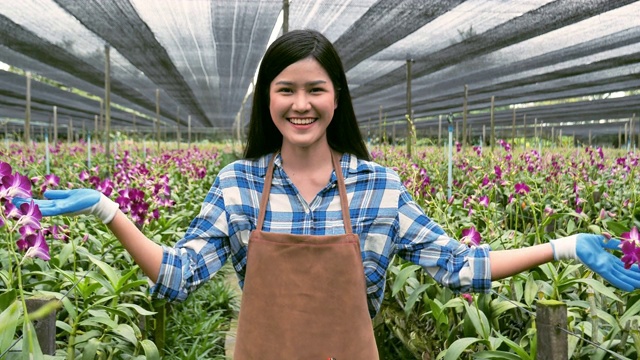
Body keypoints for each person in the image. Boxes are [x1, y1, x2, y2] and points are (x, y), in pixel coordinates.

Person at [15, 30, 640, 359]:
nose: (301, 104)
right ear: (269, 100)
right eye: (286, 89)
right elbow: (176, 277)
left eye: (315, 89)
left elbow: (459, 267)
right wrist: (108, 209)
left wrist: (561, 245)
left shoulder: (378, 187)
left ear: (337, 97)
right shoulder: (238, 183)